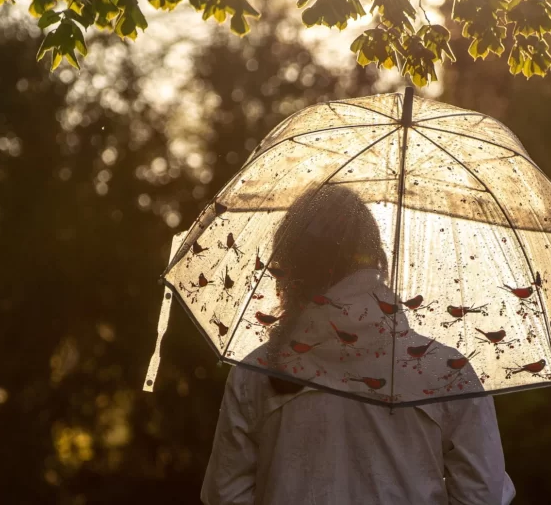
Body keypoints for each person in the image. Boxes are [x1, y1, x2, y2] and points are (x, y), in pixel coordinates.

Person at [201, 185, 516, 504]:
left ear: (290, 267)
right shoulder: (446, 372)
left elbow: (225, 494)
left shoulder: (257, 373)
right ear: (375, 259)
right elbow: (483, 494)